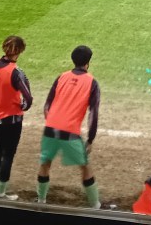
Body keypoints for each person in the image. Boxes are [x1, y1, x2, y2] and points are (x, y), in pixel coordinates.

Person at [37, 45, 102, 208]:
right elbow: (93, 114)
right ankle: (95, 205)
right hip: (70, 132)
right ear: (88, 62)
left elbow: (46, 106)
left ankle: (41, 201)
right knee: (85, 167)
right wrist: (90, 139)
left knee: (45, 164)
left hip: (50, 128)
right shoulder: (92, 82)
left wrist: (52, 123)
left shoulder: (61, 77)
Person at [0, 35, 33, 200]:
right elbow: (28, 98)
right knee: (8, 154)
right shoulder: (15, 72)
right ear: (19, 51)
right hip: (12, 118)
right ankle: (1, 192)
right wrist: (23, 107)